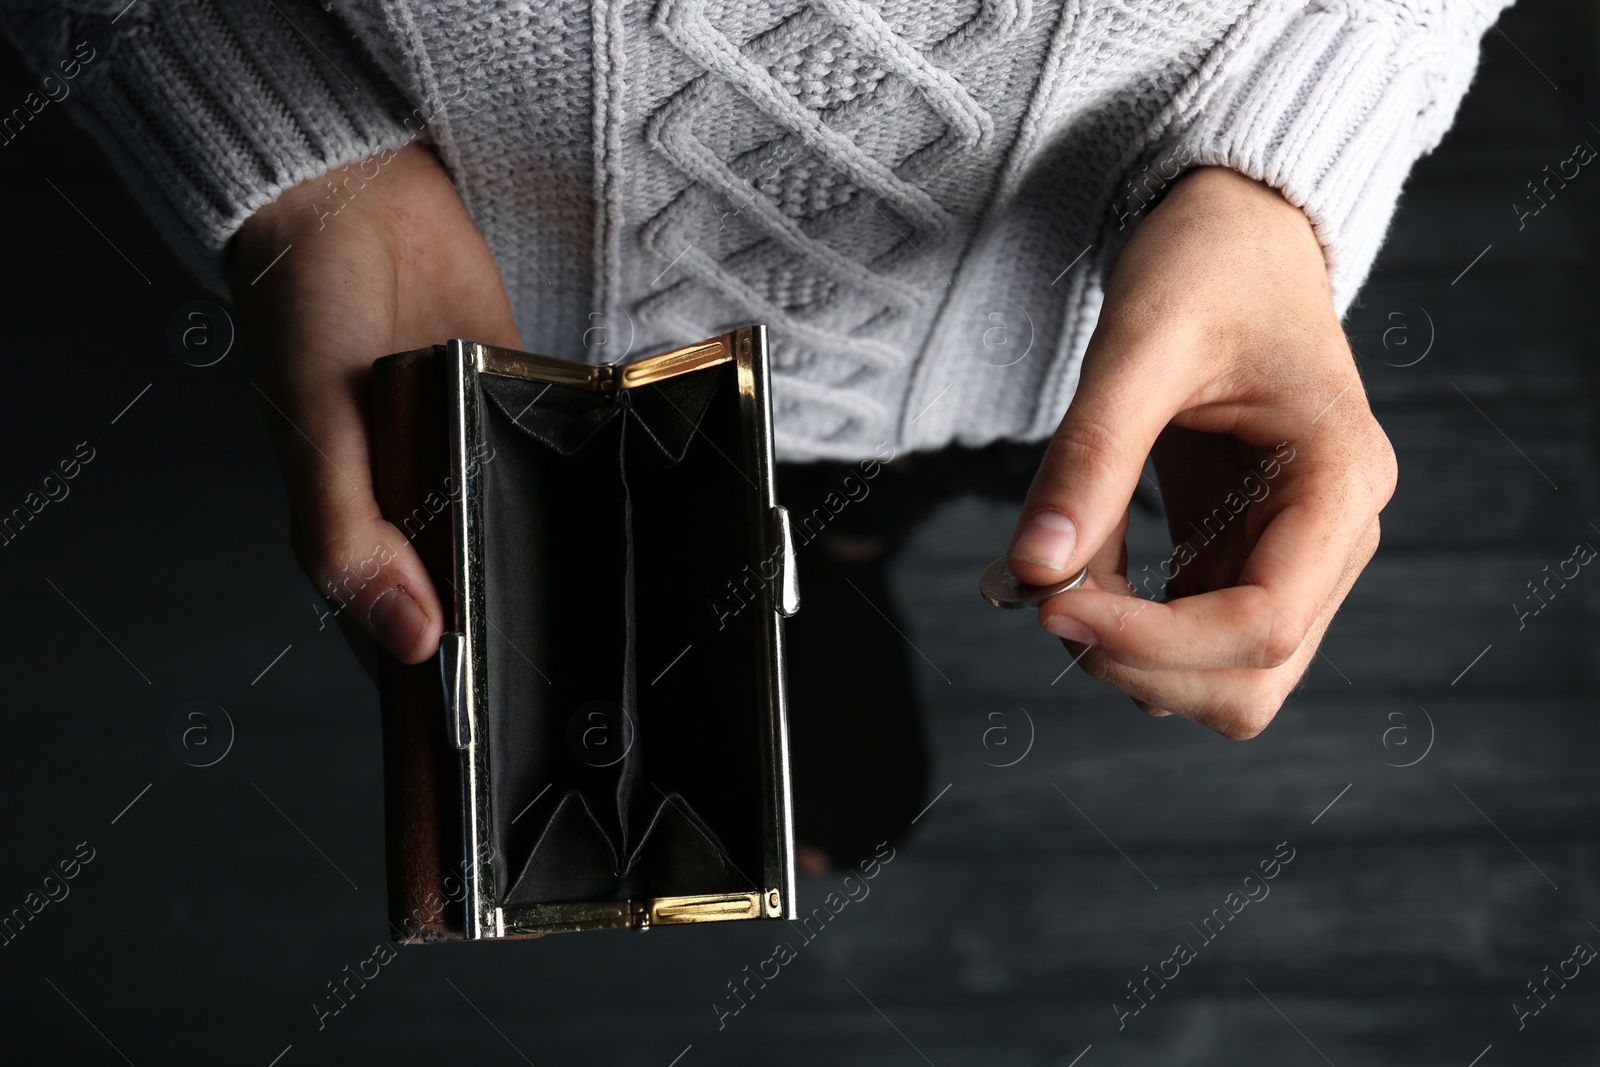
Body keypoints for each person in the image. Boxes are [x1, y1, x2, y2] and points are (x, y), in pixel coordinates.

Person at [0, 0, 1511, 750]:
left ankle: (835, 557)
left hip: (1068, 345)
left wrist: (1280, 173)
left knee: (945, 483)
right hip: (489, 315)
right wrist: (296, 162)